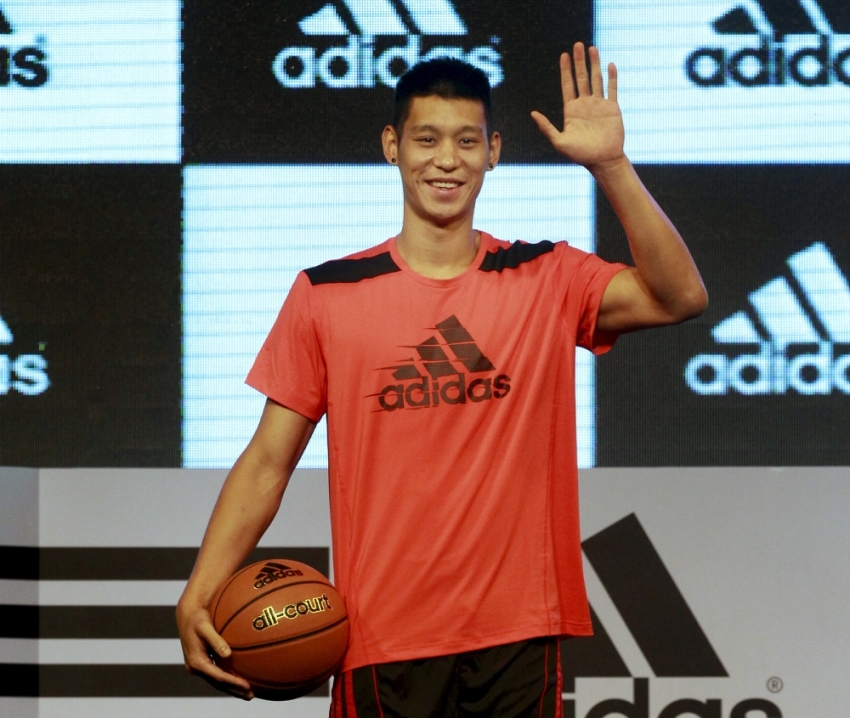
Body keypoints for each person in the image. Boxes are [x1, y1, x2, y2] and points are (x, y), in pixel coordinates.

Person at [176, 42, 707, 716]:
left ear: (494, 151)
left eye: (467, 140)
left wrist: (611, 165)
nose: (447, 159)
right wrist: (204, 585)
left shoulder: (545, 276)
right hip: (383, 637)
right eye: (427, 139)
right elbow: (267, 462)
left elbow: (678, 297)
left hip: (519, 631)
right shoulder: (327, 293)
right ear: (392, 146)